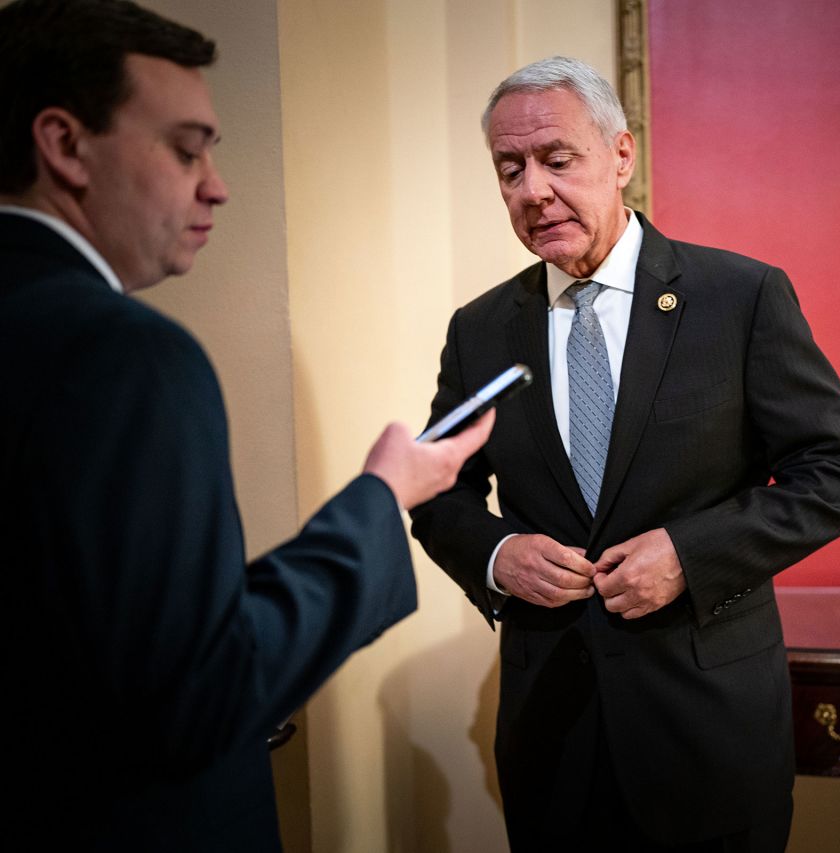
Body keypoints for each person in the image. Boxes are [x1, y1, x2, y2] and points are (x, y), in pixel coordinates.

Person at [0, 1, 493, 850]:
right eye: (187, 148)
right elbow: (193, 692)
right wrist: (381, 498)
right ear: (64, 143)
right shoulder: (125, 355)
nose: (217, 183)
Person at [410, 56, 840, 851]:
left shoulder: (740, 298)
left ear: (620, 156)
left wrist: (690, 555)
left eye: (558, 160)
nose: (532, 190)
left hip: (709, 730)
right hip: (552, 735)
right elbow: (433, 490)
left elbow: (837, 474)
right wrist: (498, 554)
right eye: (510, 168)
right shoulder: (480, 329)